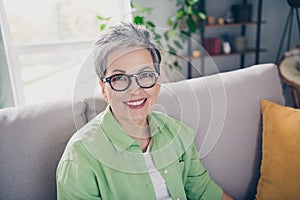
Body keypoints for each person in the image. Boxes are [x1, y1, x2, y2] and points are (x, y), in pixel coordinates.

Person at [56, 22, 233, 200]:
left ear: (158, 81)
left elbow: (204, 192)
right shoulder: (80, 157)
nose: (135, 90)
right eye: (119, 78)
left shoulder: (177, 133)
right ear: (104, 89)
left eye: (145, 75)